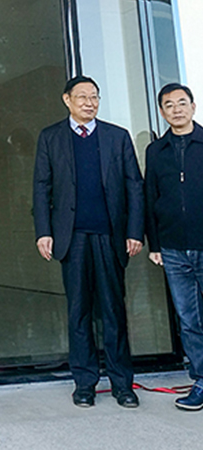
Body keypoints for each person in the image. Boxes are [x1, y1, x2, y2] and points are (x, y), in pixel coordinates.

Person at [33, 75, 144, 408]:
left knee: (114, 311)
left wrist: (134, 231)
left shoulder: (117, 136)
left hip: (110, 235)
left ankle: (122, 384)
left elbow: (134, 186)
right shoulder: (51, 137)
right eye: (82, 96)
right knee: (78, 312)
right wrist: (44, 231)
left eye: (94, 96)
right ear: (67, 99)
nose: (89, 102)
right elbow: (41, 187)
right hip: (72, 237)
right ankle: (84, 383)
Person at [145, 83, 203, 411]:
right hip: (172, 247)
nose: (177, 109)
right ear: (162, 112)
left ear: (193, 106)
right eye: (169, 105)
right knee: (189, 319)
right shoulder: (155, 151)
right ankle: (201, 380)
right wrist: (155, 243)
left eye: (182, 103)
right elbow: (149, 197)